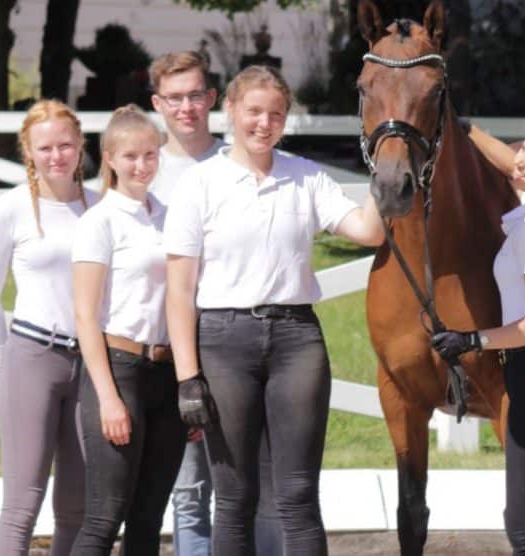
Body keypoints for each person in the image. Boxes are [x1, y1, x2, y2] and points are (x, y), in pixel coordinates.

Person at [163, 65, 385, 555]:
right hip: (224, 342)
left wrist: (384, 163)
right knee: (234, 497)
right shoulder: (200, 184)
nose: (264, 123)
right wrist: (187, 378)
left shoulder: (305, 176)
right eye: (254, 112)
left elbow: (368, 231)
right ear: (230, 110)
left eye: (276, 114)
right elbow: (179, 290)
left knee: (298, 495)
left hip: (295, 340)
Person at [431, 123, 525, 555]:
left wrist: (472, 340)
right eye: (522, 149)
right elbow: (512, 164)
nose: (520, 161)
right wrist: (466, 127)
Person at [0, 99, 96, 555]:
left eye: (65, 145)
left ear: (80, 144)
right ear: (28, 150)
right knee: (22, 504)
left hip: (90, 363)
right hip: (32, 356)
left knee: (77, 506)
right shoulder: (10, 208)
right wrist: (0, 366)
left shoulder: (100, 207)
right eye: (45, 147)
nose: (56, 156)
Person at [70, 105, 187, 555]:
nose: (142, 165)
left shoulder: (171, 217)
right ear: (110, 159)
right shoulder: (99, 222)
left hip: (167, 370)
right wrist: (108, 397)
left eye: (150, 155)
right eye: (131, 156)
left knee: (148, 518)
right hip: (120, 369)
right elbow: (85, 315)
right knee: (105, 515)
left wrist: (188, 384)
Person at [148, 50, 227, 556]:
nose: (186, 108)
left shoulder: (236, 161)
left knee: (244, 481)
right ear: (157, 103)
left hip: (230, 337)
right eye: (174, 98)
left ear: (212, 98)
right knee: (190, 490)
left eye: (195, 95)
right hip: (165, 344)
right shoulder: (144, 167)